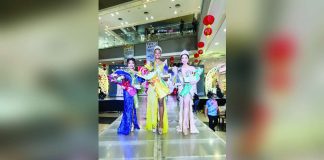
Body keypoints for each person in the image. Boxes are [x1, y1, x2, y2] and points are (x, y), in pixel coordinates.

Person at [108, 58, 143, 135]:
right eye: (129, 63)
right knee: (128, 108)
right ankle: (128, 125)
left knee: (133, 108)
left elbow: (140, 81)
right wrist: (119, 81)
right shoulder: (124, 72)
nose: (131, 64)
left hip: (134, 92)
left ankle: (133, 124)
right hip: (127, 92)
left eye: (132, 63)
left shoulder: (137, 73)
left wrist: (139, 83)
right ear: (127, 64)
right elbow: (118, 79)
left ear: (134, 64)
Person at [140, 46, 169, 134]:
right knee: (152, 105)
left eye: (159, 52)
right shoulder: (150, 64)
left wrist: (164, 77)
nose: (157, 54)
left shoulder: (164, 64)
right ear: (154, 54)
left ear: (161, 54)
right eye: (155, 52)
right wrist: (149, 79)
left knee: (161, 103)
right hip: (152, 87)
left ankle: (160, 124)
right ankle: (153, 123)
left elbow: (166, 77)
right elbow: (145, 75)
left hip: (160, 87)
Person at [176, 50, 203, 135]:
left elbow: (197, 77)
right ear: (181, 59)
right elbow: (176, 80)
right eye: (182, 58)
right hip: (181, 89)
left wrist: (193, 81)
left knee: (186, 104)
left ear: (188, 59)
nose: (184, 59)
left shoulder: (192, 68)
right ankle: (185, 124)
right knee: (183, 106)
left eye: (185, 58)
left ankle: (184, 125)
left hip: (188, 89)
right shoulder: (179, 69)